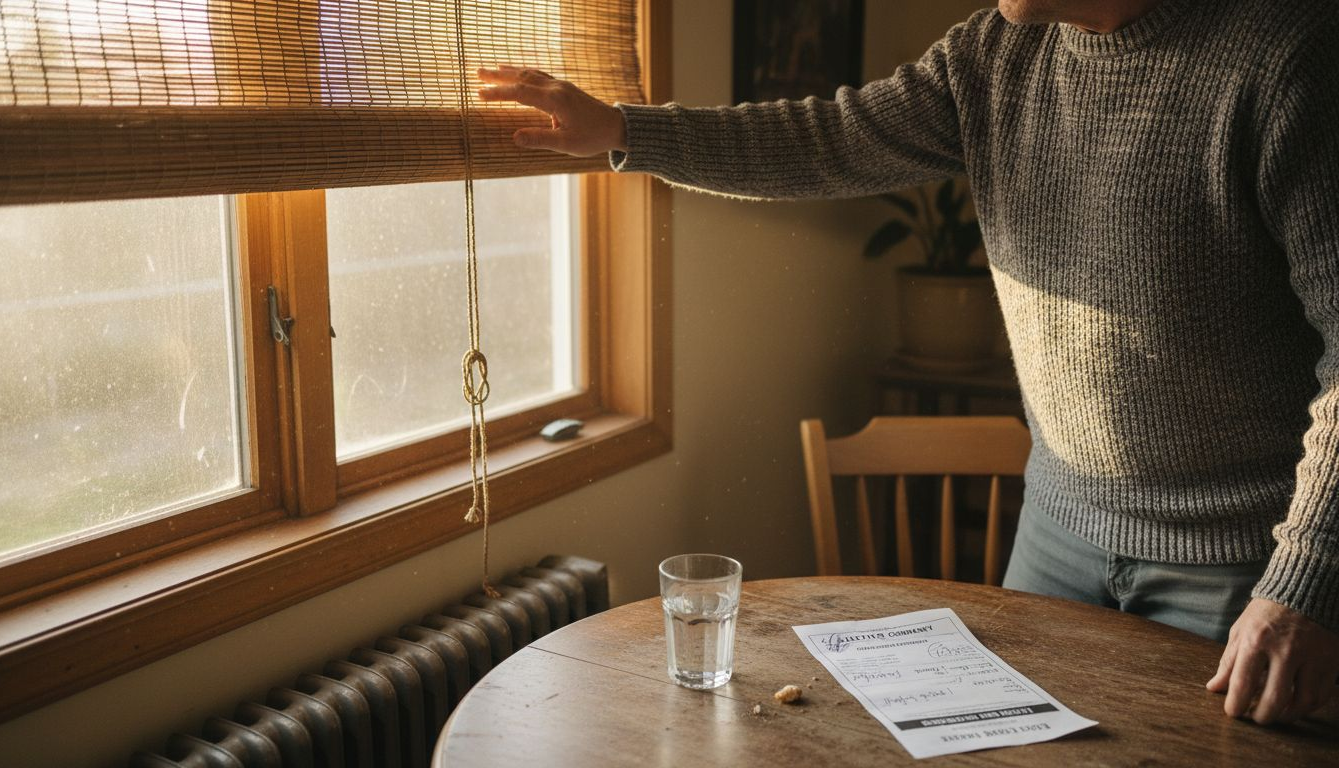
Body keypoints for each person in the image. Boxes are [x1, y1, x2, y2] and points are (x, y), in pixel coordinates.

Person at [476, 0, 1339, 725]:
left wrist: (1304, 580)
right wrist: (625, 131)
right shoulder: (996, 53)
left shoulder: (1288, 58)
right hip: (1058, 532)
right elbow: (829, 140)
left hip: (1240, 564)